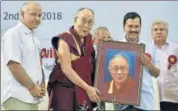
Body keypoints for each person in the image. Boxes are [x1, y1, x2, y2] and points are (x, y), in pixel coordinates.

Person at [47, 8, 101, 111]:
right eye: (83, 20)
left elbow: (91, 67)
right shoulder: (65, 39)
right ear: (75, 20)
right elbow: (66, 69)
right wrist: (88, 88)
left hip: (83, 90)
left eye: (90, 22)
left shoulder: (89, 40)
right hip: (65, 91)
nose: (86, 25)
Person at [1, 2, 45, 110]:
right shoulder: (13, 34)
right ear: (22, 14)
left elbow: (37, 65)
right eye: (33, 14)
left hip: (33, 97)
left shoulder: (34, 37)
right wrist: (32, 87)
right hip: (17, 97)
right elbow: (13, 65)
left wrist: (42, 85)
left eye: (39, 15)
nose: (37, 18)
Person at [113, 12, 160, 111]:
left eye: (136, 26)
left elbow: (157, 74)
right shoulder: (114, 47)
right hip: (122, 104)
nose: (133, 29)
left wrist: (149, 65)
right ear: (124, 27)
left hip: (144, 102)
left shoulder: (150, 47)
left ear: (140, 27)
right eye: (130, 26)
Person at [151, 20, 178, 111]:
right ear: (152, 33)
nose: (158, 32)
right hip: (152, 98)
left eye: (161, 29)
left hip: (172, 97)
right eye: (155, 30)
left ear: (167, 32)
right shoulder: (146, 49)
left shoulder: (175, 48)